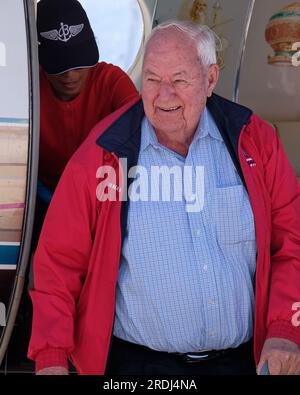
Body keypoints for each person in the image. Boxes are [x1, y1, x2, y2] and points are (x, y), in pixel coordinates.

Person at [28, 21, 300, 375]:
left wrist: (285, 330)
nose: (163, 95)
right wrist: (51, 357)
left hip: (244, 363)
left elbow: (291, 242)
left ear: (211, 79)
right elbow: (57, 263)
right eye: (153, 79)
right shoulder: (103, 153)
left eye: (180, 80)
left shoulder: (254, 141)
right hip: (138, 367)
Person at [37, 0, 139, 193]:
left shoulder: (112, 81)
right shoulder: (29, 88)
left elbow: (142, 130)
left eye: (78, 64)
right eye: (59, 67)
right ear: (41, 60)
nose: (70, 76)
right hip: (41, 193)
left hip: (101, 192)